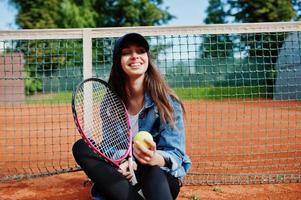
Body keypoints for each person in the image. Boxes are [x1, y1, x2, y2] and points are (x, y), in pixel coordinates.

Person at [72, 32, 191, 200]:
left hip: (158, 178)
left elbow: (176, 154)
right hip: (124, 177)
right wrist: (122, 162)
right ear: (118, 61)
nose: (135, 56)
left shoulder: (168, 102)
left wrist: (153, 158)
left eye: (141, 51)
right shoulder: (110, 104)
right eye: (126, 52)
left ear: (147, 58)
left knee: (150, 168)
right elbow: (109, 145)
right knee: (82, 147)